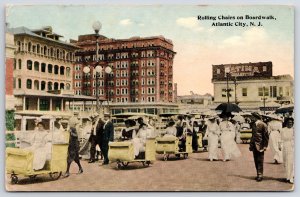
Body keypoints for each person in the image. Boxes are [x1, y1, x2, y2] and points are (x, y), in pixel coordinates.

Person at [249, 112, 269, 182]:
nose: (251, 118)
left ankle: (260, 175)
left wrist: (265, 146)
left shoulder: (263, 124)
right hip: (254, 145)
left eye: (252, 117)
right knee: (255, 160)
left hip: (260, 145)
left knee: (260, 160)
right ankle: (258, 174)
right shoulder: (254, 124)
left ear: (255, 117)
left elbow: (266, 136)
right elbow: (253, 135)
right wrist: (251, 144)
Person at [280, 117, 294, 184]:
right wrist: (280, 146)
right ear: (286, 123)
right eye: (288, 122)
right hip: (285, 146)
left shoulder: (294, 130)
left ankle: (290, 177)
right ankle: (287, 176)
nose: (290, 124)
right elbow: (280, 138)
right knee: (286, 162)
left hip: (293, 146)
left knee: (290, 162)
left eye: (291, 122)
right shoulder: (283, 130)